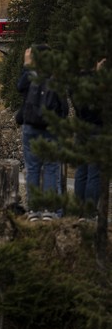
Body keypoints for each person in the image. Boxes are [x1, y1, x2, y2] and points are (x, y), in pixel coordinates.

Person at [17, 45, 68, 214]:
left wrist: (27, 65)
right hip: (51, 129)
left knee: (32, 168)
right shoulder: (56, 77)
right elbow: (64, 108)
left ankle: (34, 210)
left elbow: (20, 87)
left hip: (30, 128)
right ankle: (50, 210)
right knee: (51, 168)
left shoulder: (31, 75)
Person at [72, 58, 105, 216]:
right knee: (95, 173)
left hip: (80, 129)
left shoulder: (76, 81)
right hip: (97, 130)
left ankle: (79, 211)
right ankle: (90, 213)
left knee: (81, 172)